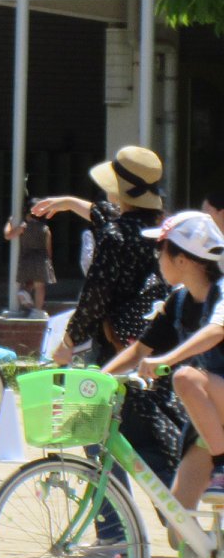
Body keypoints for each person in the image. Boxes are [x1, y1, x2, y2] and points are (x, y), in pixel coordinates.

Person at [34, 146, 181, 488]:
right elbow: (105, 214)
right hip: (159, 341)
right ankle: (183, 522)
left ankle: (116, 527)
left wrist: (68, 343)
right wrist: (69, 202)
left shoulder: (116, 236)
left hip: (118, 348)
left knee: (101, 430)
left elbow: (94, 297)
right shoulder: (162, 228)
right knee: (154, 434)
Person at [115, 210, 224, 558]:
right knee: (179, 523)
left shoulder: (220, 292)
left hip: (214, 406)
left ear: (183, 258)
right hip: (210, 423)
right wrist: (93, 381)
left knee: (185, 376)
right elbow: (139, 350)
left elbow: (215, 333)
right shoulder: (178, 302)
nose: (156, 257)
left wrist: (168, 359)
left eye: (161, 249)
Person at [2, 201, 55, 315]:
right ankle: (38, 310)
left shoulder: (23, 227)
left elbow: (8, 235)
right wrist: (49, 262)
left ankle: (24, 294)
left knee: (27, 281)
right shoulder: (45, 229)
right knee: (40, 286)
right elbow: (48, 249)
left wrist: (10, 222)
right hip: (41, 259)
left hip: (26, 258)